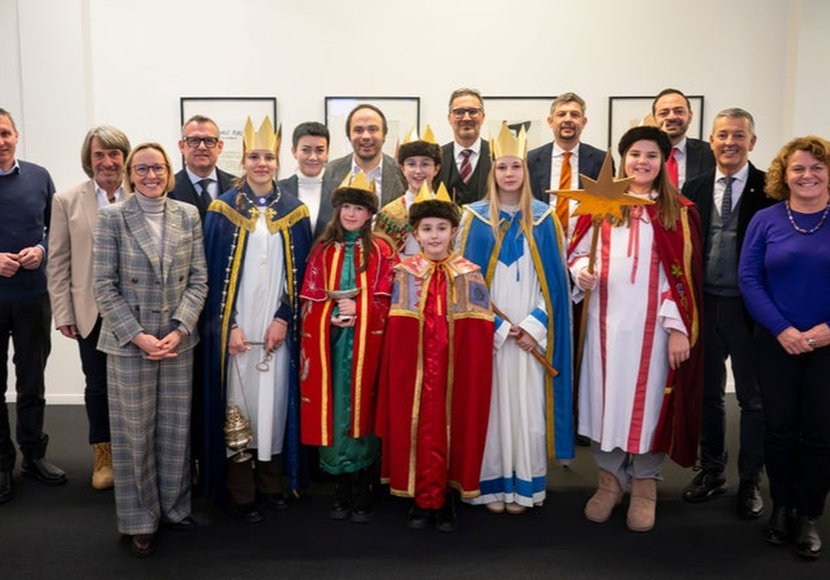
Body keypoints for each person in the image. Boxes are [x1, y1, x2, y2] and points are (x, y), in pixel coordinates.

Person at [569, 126, 703, 532]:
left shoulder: (679, 211)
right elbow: (577, 251)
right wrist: (581, 270)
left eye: (651, 155)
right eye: (634, 154)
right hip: (604, 325)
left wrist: (678, 328)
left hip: (654, 328)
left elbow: (682, 277)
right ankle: (609, 481)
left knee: (649, 406)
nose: (642, 162)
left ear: (663, 162)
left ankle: (644, 485)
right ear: (622, 158)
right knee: (603, 400)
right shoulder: (600, 204)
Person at [92, 142, 207, 557]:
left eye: (157, 167)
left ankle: (174, 508)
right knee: (134, 435)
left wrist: (181, 328)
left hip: (176, 341)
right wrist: (138, 335)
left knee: (175, 430)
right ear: (130, 175)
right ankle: (140, 519)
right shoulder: (112, 218)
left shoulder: (187, 214)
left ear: (168, 171)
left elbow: (199, 280)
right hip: (131, 344)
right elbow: (104, 286)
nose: (151, 175)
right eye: (141, 169)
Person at [458, 123, 573, 514]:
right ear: (492, 172)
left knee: (527, 411)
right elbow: (464, 282)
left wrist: (533, 327)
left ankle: (525, 485)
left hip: (529, 339)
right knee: (490, 410)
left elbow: (554, 285)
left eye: (516, 166)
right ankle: (490, 486)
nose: (509, 174)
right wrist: (501, 327)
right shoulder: (473, 219)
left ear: (526, 171)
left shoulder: (545, 219)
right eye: (502, 167)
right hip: (491, 337)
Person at [202, 117, 312, 524]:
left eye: (268, 157)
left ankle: (271, 482)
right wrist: (227, 325)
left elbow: (301, 273)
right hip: (236, 329)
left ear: (278, 161)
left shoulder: (294, 212)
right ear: (243, 160)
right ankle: (240, 489)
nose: (261, 164)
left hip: (275, 330)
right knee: (237, 402)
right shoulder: (223, 209)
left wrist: (284, 318)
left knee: (274, 401)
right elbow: (211, 273)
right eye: (254, 157)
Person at [376, 186, 494, 533]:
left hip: (455, 369)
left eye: (442, 228)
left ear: (454, 232)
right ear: (415, 234)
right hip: (415, 369)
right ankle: (419, 495)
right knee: (416, 425)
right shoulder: (404, 272)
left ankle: (448, 496)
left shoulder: (469, 272)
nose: (434, 235)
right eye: (426, 229)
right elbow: (396, 331)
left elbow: (478, 333)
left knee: (455, 424)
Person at [739, 135, 830, 560]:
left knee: (820, 434)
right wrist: (783, 329)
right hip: (776, 343)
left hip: (828, 345)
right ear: (784, 174)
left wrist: (827, 331)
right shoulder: (766, 219)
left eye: (817, 167)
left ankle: (809, 514)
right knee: (778, 430)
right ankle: (781, 508)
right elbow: (749, 278)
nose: (807, 175)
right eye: (798, 168)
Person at [681, 108, 774, 518]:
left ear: (752, 142)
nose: (730, 142)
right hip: (705, 304)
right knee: (708, 394)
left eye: (738, 135)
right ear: (711, 140)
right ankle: (712, 470)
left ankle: (750, 479)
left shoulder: (770, 188)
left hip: (750, 309)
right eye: (722, 135)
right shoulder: (694, 187)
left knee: (753, 399)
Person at [300, 171, 396, 524]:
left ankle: (365, 490)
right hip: (333, 349)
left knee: (365, 413)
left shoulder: (383, 251)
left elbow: (393, 301)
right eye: (346, 207)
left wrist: (362, 308)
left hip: (369, 349)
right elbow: (308, 302)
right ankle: (340, 490)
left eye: (358, 208)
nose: (351, 214)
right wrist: (330, 317)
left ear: (370, 214)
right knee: (336, 415)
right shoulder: (323, 250)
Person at [47, 125, 131, 491]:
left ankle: (135, 452)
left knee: (135, 385)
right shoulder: (67, 200)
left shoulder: (143, 192)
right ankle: (104, 455)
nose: (107, 162)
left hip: (137, 311)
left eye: (114, 154)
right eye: (99, 154)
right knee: (97, 385)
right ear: (89, 159)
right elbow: (57, 261)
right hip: (90, 310)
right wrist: (63, 313)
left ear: (125, 157)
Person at [0, 107, 65, 506]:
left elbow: (54, 230)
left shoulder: (39, 176)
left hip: (33, 296)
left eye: (4, 133)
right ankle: (1, 463)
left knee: (32, 381)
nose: (0, 141)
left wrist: (41, 249)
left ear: (16, 135)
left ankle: (33, 455)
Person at [527, 92, 607, 240]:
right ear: (550, 121)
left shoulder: (601, 160)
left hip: (585, 242)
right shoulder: (530, 160)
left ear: (584, 122)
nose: (568, 119)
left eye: (574, 115)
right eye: (561, 114)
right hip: (540, 241)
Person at [318, 104, 406, 237]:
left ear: (384, 135)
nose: (366, 136)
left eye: (373, 129)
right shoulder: (328, 172)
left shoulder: (402, 173)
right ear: (349, 136)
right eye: (358, 130)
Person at [375, 125, 443, 256]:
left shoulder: (452, 211)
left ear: (436, 169)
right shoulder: (388, 215)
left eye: (425, 164)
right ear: (402, 169)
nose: (418, 171)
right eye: (411, 164)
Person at [170, 114, 237, 222]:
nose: (202, 147)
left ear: (219, 147)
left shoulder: (237, 187)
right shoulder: (168, 189)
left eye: (209, 140)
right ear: (182, 146)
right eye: (194, 140)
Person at [652, 88, 715, 189]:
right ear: (655, 119)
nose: (671, 117)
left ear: (690, 116)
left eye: (678, 111)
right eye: (664, 113)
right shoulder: (642, 155)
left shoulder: (710, 153)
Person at [439, 88, 491, 206]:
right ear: (450, 118)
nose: (466, 118)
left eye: (473, 111)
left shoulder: (498, 156)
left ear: (482, 117)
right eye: (459, 112)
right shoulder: (436, 158)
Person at [279, 121, 330, 237]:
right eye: (306, 150)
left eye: (319, 150)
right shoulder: (278, 190)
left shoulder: (340, 191)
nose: (313, 157)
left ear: (327, 152)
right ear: (294, 152)